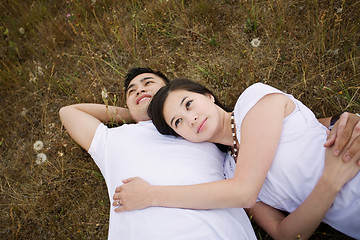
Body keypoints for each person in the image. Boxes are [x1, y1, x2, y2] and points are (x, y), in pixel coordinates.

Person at [113, 78, 360, 239]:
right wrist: (330, 183)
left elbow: (245, 191)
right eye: (178, 122)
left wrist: (153, 195)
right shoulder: (230, 173)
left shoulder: (253, 102)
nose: (191, 119)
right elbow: (285, 234)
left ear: (208, 96)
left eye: (189, 104)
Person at [59, 68, 257, 239]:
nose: (140, 90)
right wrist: (136, 114)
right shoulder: (112, 138)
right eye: (132, 92)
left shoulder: (199, 126)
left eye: (148, 83)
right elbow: (69, 112)